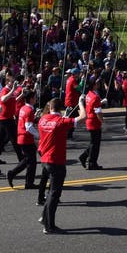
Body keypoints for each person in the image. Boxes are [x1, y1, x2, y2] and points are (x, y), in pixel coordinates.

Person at [38, 95, 86, 234]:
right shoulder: (61, 121)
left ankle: (44, 217)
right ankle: (48, 225)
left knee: (50, 191)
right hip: (56, 160)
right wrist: (80, 103)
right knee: (54, 194)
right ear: (61, 108)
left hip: (45, 159)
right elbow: (83, 117)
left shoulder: (43, 119)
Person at [7, 88, 39, 189]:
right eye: (34, 98)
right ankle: (16, 175)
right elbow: (28, 127)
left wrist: (35, 117)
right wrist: (39, 135)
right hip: (26, 138)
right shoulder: (29, 110)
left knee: (28, 160)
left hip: (22, 137)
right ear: (31, 99)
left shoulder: (23, 108)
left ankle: (27, 182)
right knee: (31, 161)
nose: (36, 99)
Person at [0, 71, 23, 160]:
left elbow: (14, 101)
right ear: (6, 82)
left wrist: (22, 95)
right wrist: (13, 90)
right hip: (5, 118)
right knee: (14, 139)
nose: (13, 82)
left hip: (8, 117)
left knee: (0, 141)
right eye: (11, 81)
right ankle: (21, 158)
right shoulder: (5, 90)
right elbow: (3, 99)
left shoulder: (11, 91)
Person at [80, 78, 104, 169]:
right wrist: (102, 121)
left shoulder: (89, 94)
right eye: (97, 83)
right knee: (95, 145)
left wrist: (100, 102)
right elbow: (98, 112)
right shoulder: (95, 97)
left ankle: (84, 157)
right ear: (94, 85)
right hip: (94, 122)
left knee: (93, 143)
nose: (98, 84)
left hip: (89, 120)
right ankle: (92, 163)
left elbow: (92, 106)